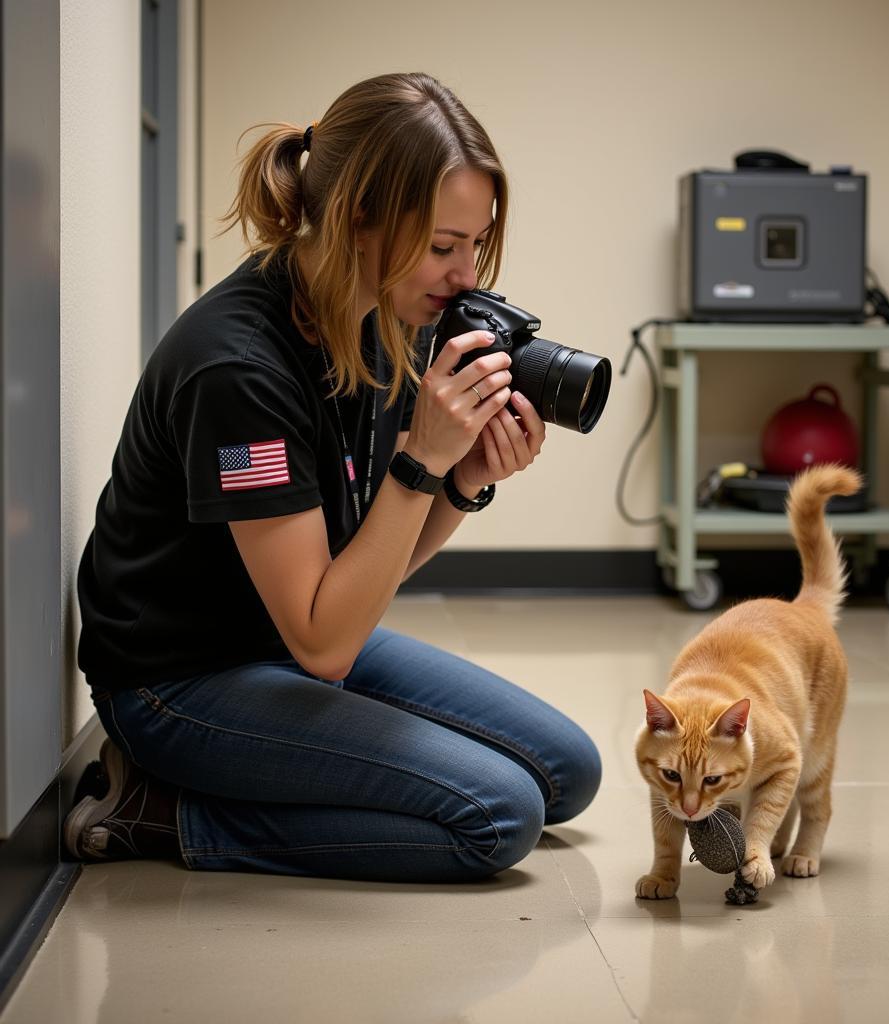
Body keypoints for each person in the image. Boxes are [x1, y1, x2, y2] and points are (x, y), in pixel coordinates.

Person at [65, 72, 601, 882]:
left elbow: (361, 584)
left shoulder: (380, 323)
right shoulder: (237, 368)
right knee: (499, 816)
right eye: (443, 247)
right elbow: (325, 641)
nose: (466, 279)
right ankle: (161, 810)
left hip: (288, 634)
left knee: (570, 771)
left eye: (475, 245)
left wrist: (459, 481)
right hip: (179, 682)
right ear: (359, 218)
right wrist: (422, 464)